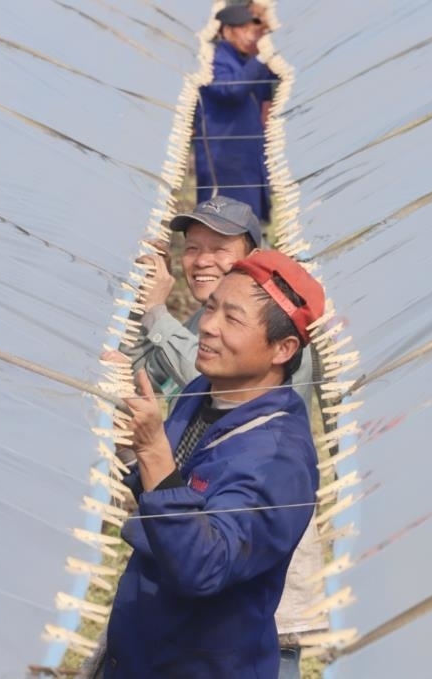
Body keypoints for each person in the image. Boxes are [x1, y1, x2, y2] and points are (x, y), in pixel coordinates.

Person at [109, 196, 328, 677]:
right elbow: (173, 485)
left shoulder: (278, 460)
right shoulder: (201, 394)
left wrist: (152, 451)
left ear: (282, 348)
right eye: (209, 310)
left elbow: (202, 565)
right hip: (151, 648)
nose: (207, 326)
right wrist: (132, 450)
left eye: (231, 319)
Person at [195, 4, 278, 222]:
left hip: (248, 154)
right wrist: (259, 61)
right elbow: (231, 91)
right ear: (227, 30)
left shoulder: (246, 60)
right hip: (223, 155)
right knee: (222, 219)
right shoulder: (214, 58)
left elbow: (266, 93)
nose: (251, 36)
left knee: (250, 219)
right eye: (245, 29)